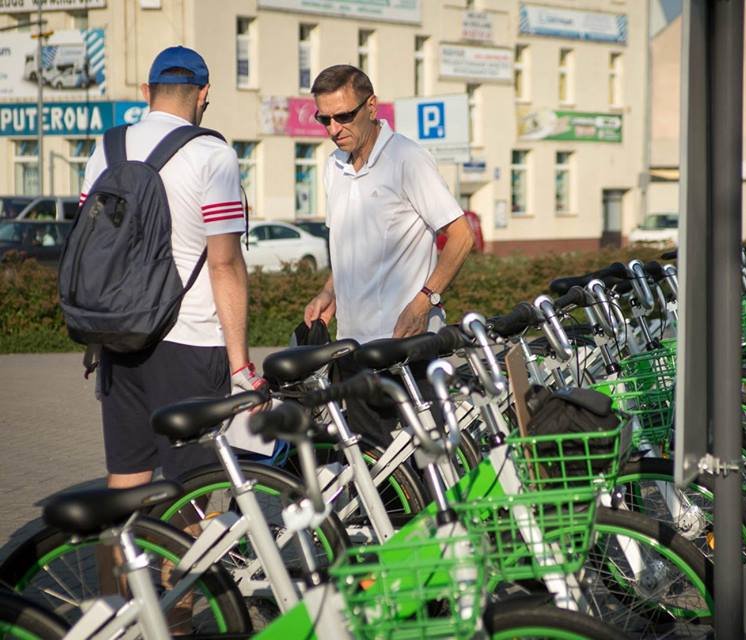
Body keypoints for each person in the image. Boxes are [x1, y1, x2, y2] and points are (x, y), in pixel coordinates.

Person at [80, 46, 266, 490]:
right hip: (191, 343)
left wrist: (95, 337)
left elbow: (88, 248)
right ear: (204, 93)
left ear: (147, 91)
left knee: (125, 485)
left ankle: (123, 561)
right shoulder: (211, 154)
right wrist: (240, 367)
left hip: (119, 339)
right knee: (192, 492)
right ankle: (184, 562)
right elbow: (224, 263)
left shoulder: (106, 148)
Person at [302, 64, 474, 440]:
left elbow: (461, 235)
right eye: (324, 119)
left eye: (344, 116)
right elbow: (347, 244)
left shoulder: (406, 159)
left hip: (406, 345)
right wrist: (329, 291)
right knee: (378, 472)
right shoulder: (333, 166)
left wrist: (425, 299)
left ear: (372, 106)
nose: (334, 130)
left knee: (426, 464)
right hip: (352, 348)